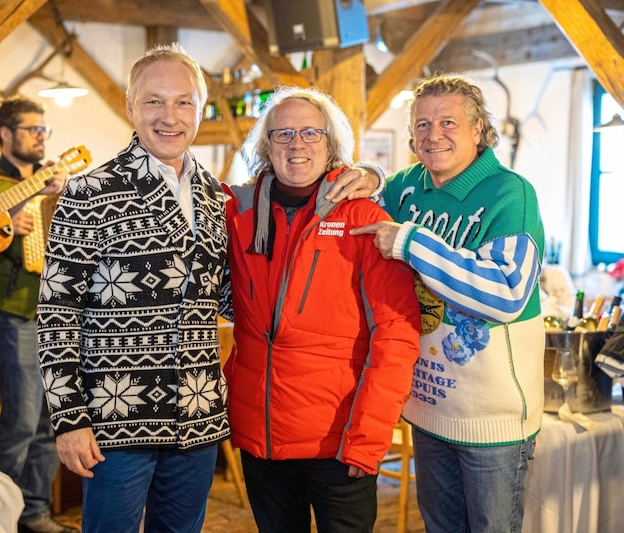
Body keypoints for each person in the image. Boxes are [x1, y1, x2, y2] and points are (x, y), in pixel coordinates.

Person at [36, 44, 380, 533]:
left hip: (199, 419)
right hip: (116, 416)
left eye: (183, 103)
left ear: (200, 109)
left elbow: (232, 293)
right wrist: (69, 417)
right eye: (154, 102)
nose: (169, 117)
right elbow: (56, 313)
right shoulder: (89, 192)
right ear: (131, 106)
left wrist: (370, 176)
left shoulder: (215, 193)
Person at [221, 86, 422, 533]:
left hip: (340, 443)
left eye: (311, 132)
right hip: (262, 441)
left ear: (331, 144)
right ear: (266, 147)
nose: (297, 144)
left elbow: (397, 333)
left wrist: (368, 440)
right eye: (283, 133)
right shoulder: (239, 210)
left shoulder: (363, 217)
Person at [351, 74, 545, 532]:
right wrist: (369, 173)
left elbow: (506, 294)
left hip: (492, 422)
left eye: (448, 122)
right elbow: (362, 190)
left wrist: (412, 242)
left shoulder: (510, 192)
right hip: (428, 409)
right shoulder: (406, 187)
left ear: (478, 129)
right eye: (421, 125)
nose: (433, 135)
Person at [0, 96, 73, 533]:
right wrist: (5, 227)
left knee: (52, 419)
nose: (40, 136)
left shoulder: (54, 181)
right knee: (20, 419)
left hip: (58, 315)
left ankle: (33, 511)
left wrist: (67, 192)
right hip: (15, 312)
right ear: (5, 135)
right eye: (31, 129)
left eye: (43, 129)